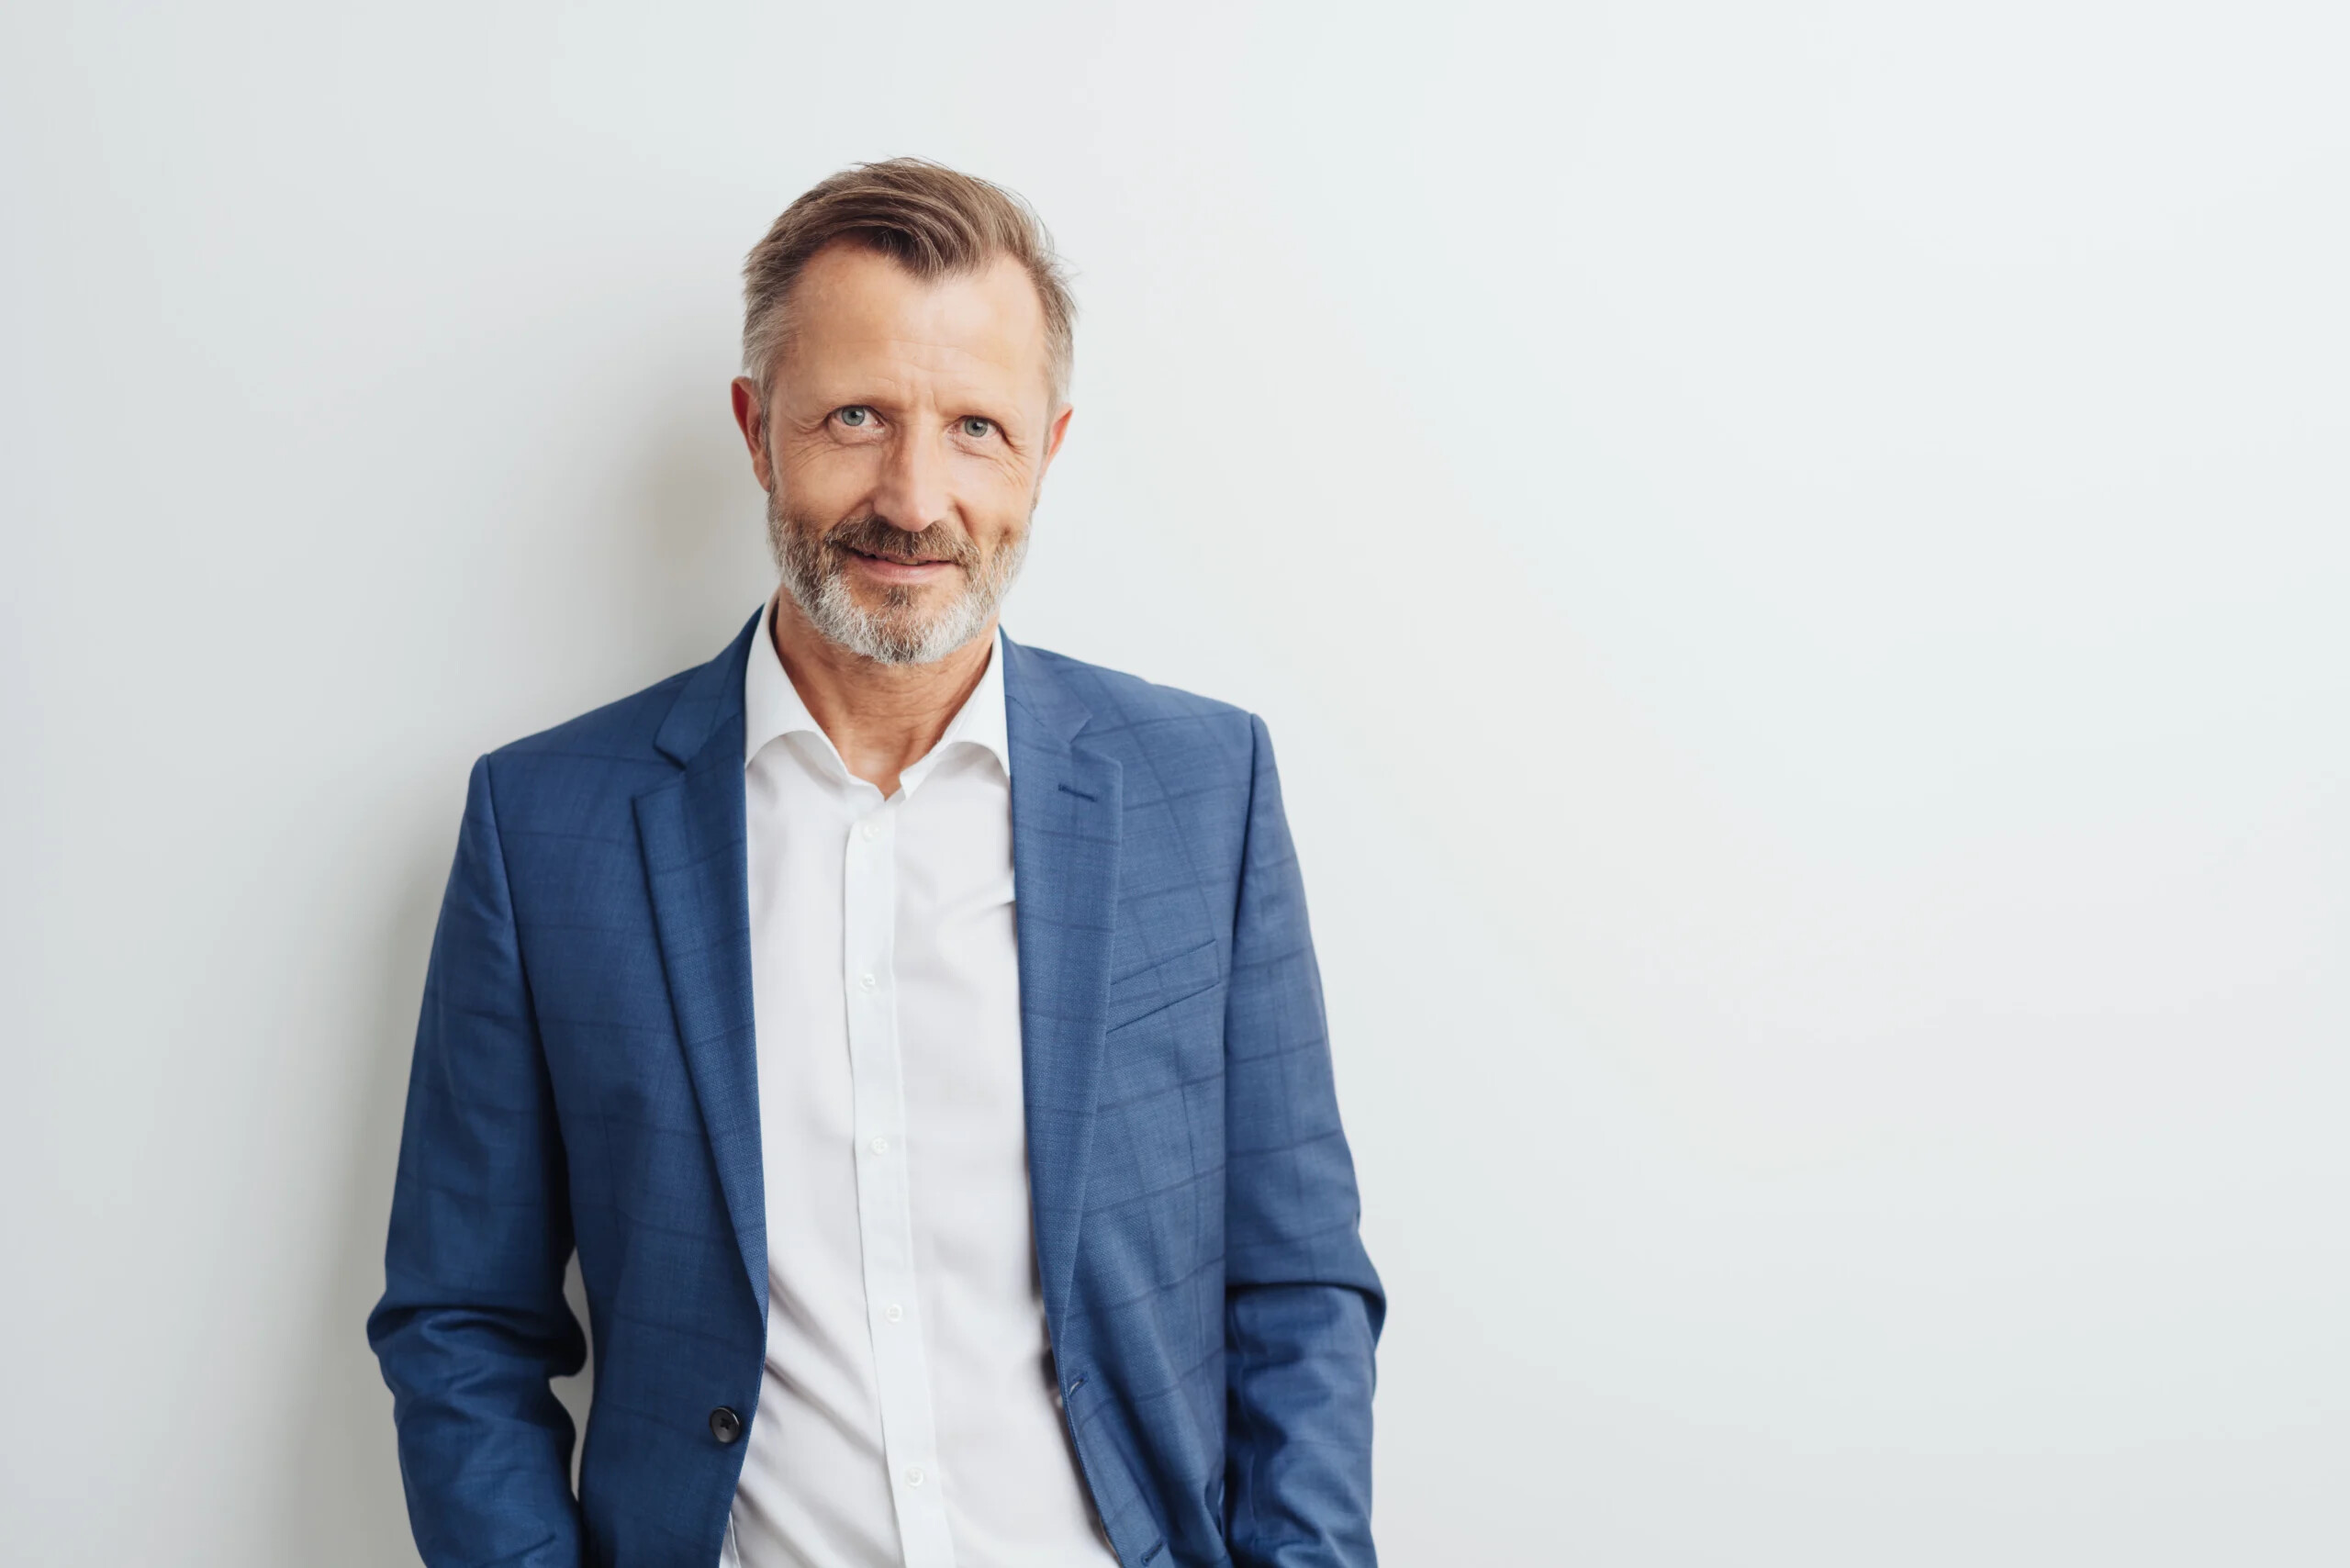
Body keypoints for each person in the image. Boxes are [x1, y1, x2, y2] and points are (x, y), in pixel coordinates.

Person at [367, 158, 1382, 1568]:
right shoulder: (545, 830)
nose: (914, 498)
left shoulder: (1203, 793)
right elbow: (463, 1322)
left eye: (976, 428)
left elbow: (1297, 1291)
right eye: (856, 418)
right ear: (757, 430)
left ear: (1047, 450)